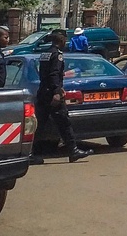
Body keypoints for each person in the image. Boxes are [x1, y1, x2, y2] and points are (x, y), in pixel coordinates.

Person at [35, 30, 90, 163]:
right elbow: (54, 74)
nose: (66, 42)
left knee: (40, 124)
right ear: (61, 40)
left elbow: (44, 73)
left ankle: (33, 153)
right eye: (65, 39)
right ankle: (73, 151)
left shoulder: (45, 53)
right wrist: (57, 91)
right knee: (64, 122)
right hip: (52, 93)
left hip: (43, 91)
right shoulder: (57, 55)